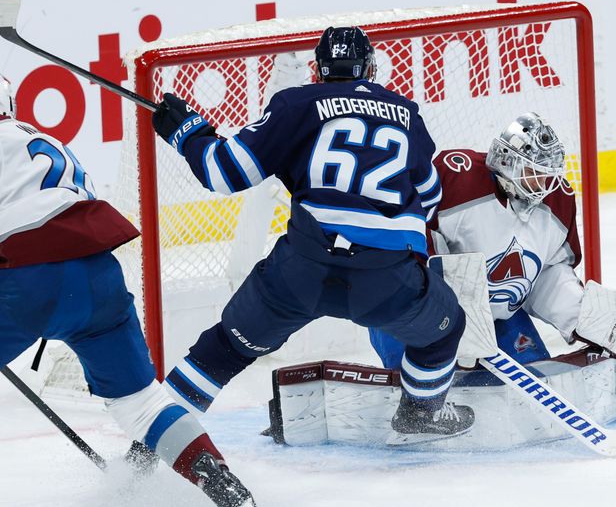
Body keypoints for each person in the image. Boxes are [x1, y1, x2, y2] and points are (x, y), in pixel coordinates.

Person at [151, 26, 473, 445]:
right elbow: (429, 196)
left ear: (317, 70)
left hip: (301, 271)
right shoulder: (407, 113)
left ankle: (149, 441)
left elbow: (223, 172)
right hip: (385, 278)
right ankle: (420, 413)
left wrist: (188, 134)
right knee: (445, 330)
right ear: (371, 69)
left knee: (225, 347)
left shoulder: (296, 103)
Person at [0, 77, 254, 507]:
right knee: (142, 405)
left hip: (27, 282)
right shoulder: (40, 140)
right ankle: (224, 486)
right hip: (99, 281)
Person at [369, 112, 585, 368]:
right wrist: (450, 320)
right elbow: (409, 250)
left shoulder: (556, 203)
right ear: (507, 162)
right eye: (532, 172)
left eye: (546, 175)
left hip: (495, 316)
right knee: (418, 391)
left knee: (535, 380)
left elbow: (549, 272)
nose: (542, 184)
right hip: (407, 307)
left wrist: (582, 317)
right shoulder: (455, 179)